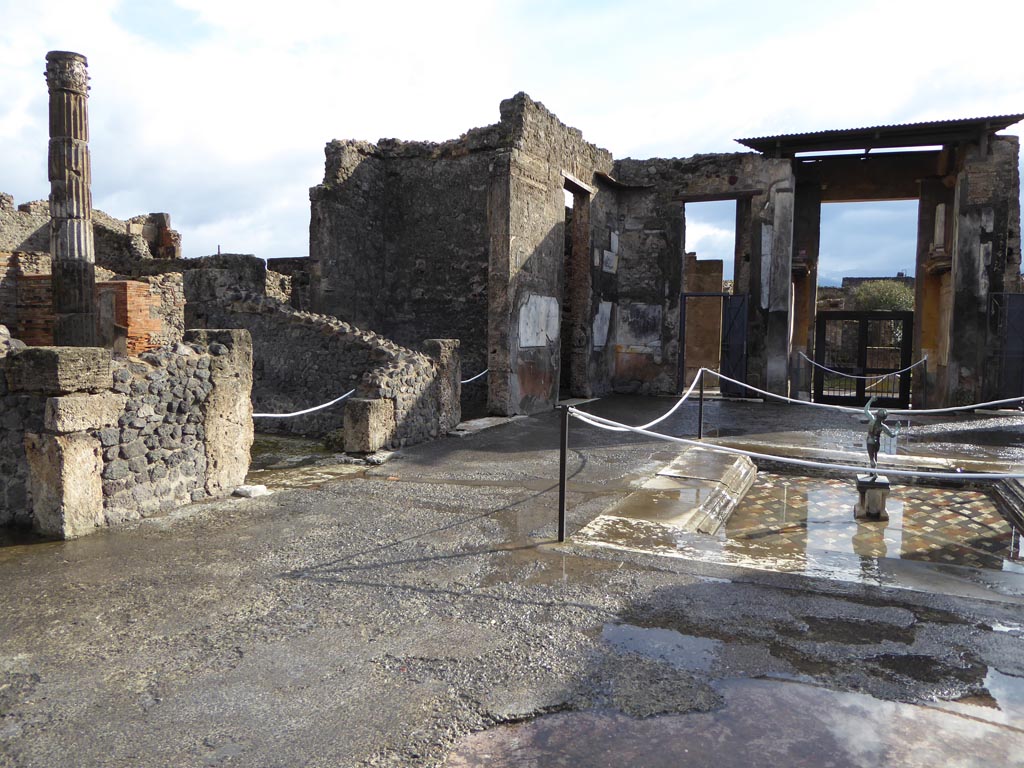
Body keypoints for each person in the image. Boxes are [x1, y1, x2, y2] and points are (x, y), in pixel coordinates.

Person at [864, 396, 899, 475]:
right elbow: (892, 435)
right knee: (875, 455)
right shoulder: (882, 427)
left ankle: (874, 473)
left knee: (871, 457)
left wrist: (870, 400)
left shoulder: (871, 419)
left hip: (870, 440)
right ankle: (873, 472)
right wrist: (897, 429)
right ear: (884, 418)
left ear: (877, 415)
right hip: (877, 442)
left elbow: (866, 410)